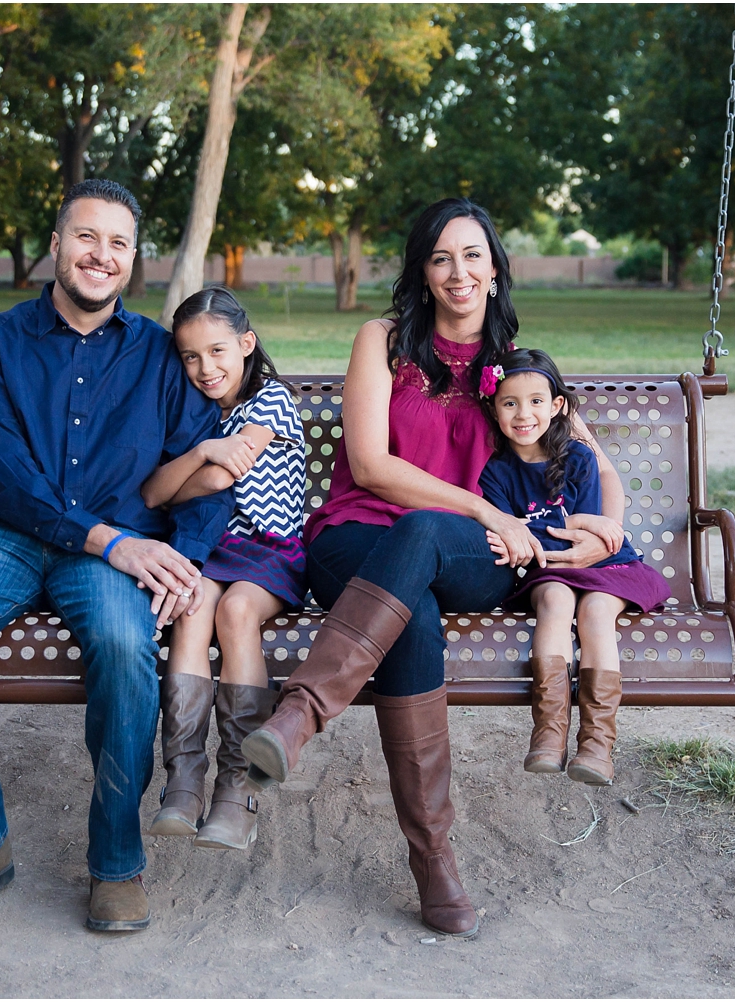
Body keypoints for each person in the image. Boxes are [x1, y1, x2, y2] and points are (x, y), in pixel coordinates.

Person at [239, 198, 616, 939]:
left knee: (421, 547)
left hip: (475, 555)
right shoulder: (381, 341)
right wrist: (484, 509)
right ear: (421, 270)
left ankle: (300, 715)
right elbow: (374, 467)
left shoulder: (514, 369)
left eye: (474, 255)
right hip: (357, 542)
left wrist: (608, 531)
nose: (458, 272)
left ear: (497, 271)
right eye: (441, 257)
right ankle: (435, 863)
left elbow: (593, 458)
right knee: (410, 599)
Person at [0, 179, 231, 933]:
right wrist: (114, 539)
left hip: (112, 557)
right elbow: (3, 477)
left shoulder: (158, 355)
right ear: (55, 246)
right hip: (10, 537)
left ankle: (116, 862)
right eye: (86, 237)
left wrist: (191, 563)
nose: (99, 255)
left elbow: (205, 470)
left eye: (117, 243)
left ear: (133, 260)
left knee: (121, 641)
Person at [140, 288, 306, 851]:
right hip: (212, 550)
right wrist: (200, 451)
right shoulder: (196, 414)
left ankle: (239, 789)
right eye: (190, 356)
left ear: (246, 344)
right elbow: (153, 494)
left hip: (271, 551)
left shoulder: (272, 401)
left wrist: (204, 465)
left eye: (217, 352)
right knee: (191, 610)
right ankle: (183, 782)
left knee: (236, 612)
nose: (205, 368)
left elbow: (217, 481)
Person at [477, 348, 671, 785]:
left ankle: (597, 744)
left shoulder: (578, 458)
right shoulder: (495, 472)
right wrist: (543, 532)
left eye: (536, 402)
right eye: (510, 403)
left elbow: (586, 530)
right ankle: (548, 733)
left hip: (605, 565)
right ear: (493, 407)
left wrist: (537, 531)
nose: (524, 414)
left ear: (557, 406)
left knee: (596, 612)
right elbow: (517, 537)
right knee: (554, 601)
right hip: (549, 573)